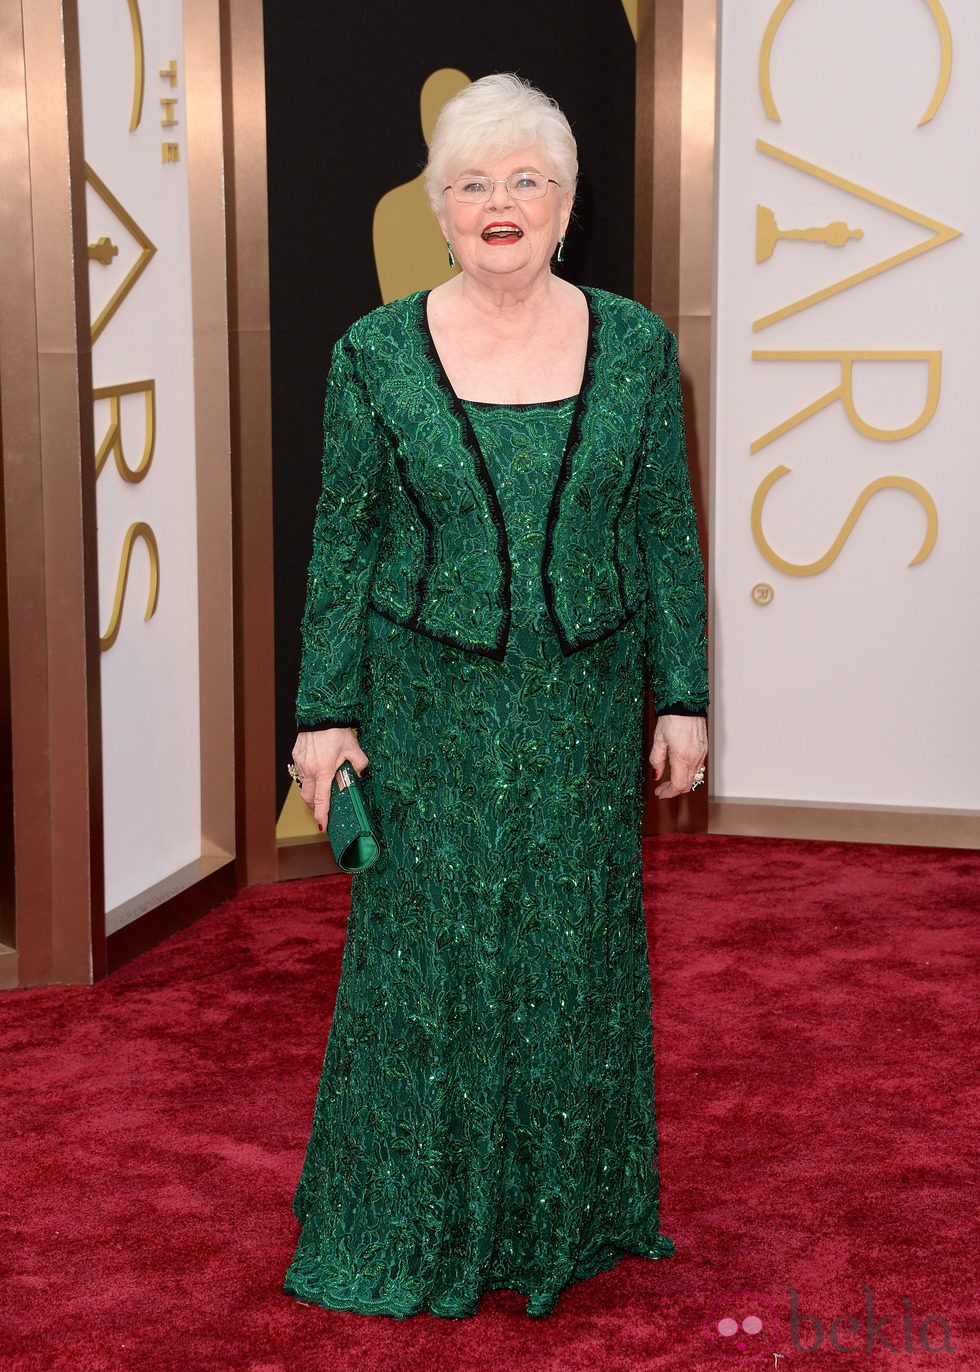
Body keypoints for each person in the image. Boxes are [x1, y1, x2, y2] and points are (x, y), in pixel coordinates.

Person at [284, 73, 708, 1320]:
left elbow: (662, 531)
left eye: (526, 179)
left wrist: (678, 695)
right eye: (471, 183)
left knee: (568, 949)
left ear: (566, 201)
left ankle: (560, 1212)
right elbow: (342, 544)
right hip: (425, 708)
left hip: (584, 702)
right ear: (438, 207)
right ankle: (405, 1211)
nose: (498, 203)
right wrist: (324, 715)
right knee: (429, 955)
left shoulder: (634, 345)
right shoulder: (370, 354)